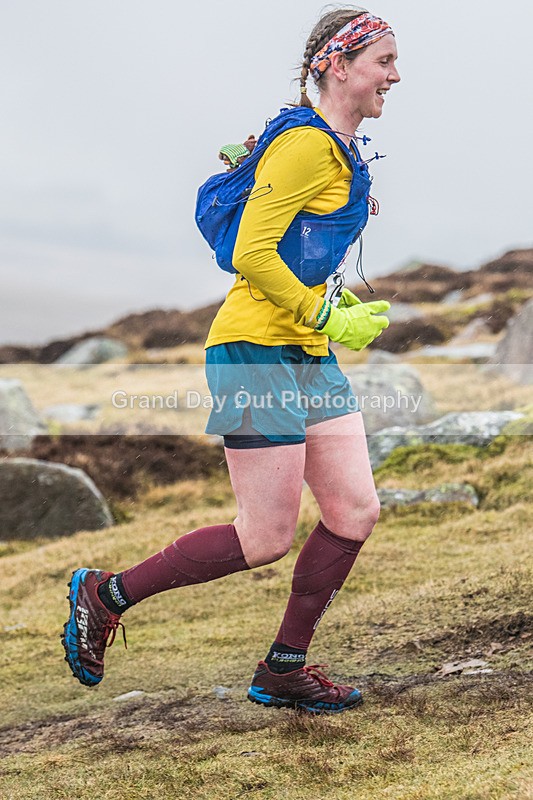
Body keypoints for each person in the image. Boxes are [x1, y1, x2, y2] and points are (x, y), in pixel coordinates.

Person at [61, 6, 400, 714]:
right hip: (254, 348)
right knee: (265, 535)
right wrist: (323, 312)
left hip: (304, 353)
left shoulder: (338, 148)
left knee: (353, 510)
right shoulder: (306, 145)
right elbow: (250, 252)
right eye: (383, 62)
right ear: (337, 65)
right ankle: (105, 594)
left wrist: (330, 303)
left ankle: (283, 667)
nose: (394, 77)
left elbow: (299, 237)